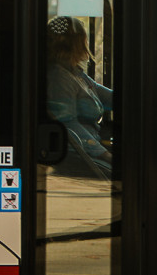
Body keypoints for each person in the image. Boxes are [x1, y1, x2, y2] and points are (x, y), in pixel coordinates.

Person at [46, 16, 113, 172]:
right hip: (76, 154)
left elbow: (109, 98)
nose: (86, 44)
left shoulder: (76, 74)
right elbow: (68, 125)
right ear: (75, 45)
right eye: (84, 40)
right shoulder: (59, 77)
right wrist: (103, 154)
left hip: (88, 148)